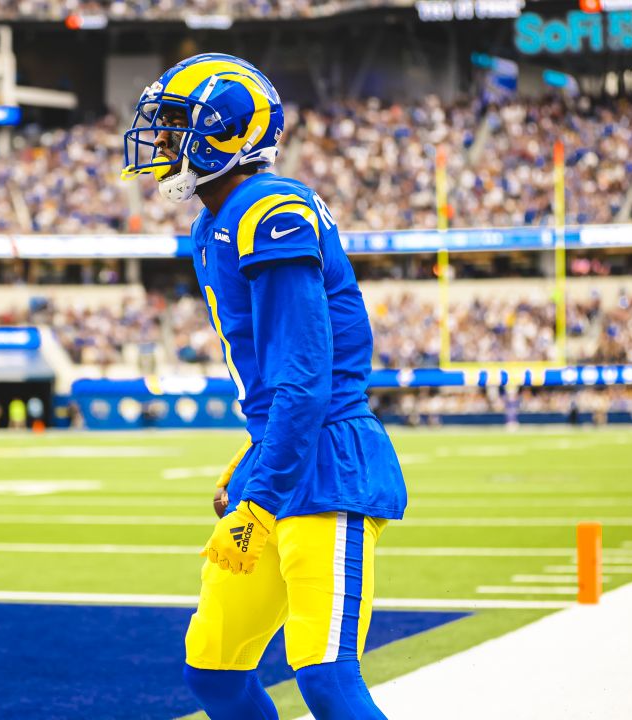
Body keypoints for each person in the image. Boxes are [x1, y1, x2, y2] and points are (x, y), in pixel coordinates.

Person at [122, 54, 407, 720]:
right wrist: (249, 465)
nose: (160, 140)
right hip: (280, 456)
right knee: (215, 673)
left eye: (174, 125)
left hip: (328, 464)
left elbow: (305, 380)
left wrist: (261, 500)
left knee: (326, 677)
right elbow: (280, 388)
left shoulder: (269, 209)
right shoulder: (217, 220)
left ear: (224, 129)